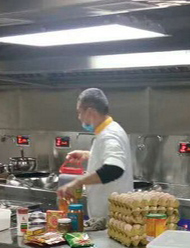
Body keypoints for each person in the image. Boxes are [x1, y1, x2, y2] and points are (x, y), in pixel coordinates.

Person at [57, 88, 133, 228]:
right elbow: (111, 157)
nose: (79, 117)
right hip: (110, 217)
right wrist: (89, 155)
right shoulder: (111, 129)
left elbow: (114, 169)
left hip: (111, 219)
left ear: (90, 112)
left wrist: (78, 182)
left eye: (80, 112)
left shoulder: (109, 135)